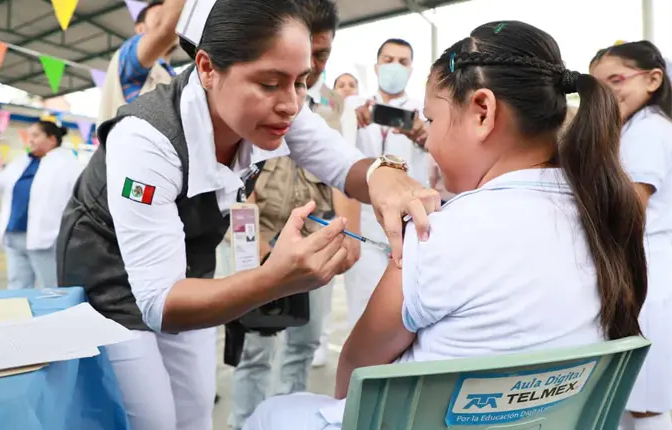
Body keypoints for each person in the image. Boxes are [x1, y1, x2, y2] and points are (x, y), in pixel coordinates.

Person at [243, 20, 648, 430]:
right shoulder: (606, 217)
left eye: (432, 121)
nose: (430, 139)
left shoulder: (438, 234)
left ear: (483, 112)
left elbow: (354, 377)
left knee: (269, 414)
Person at [56, 1, 439, 430]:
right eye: (271, 83)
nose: (291, 105)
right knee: (152, 418)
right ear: (206, 67)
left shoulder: (277, 106)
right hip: (111, 276)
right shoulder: (146, 140)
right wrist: (275, 278)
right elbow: (159, 303)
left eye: (300, 81)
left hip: (188, 264)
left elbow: (342, 164)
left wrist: (385, 176)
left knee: (195, 410)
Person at [227, 1, 361, 427]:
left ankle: (284, 418)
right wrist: (255, 246)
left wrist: (349, 236)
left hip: (313, 235)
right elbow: (233, 178)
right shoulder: (254, 94)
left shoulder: (329, 112)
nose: (316, 64)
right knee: (256, 349)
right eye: (311, 52)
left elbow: (342, 175)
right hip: (260, 235)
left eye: (324, 54)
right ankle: (246, 421)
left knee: (304, 342)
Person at [591, 40, 672, 430]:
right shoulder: (633, 129)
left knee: (645, 404)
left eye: (617, 80)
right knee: (632, 398)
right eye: (597, 86)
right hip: (643, 271)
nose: (607, 93)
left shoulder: (648, 131)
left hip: (648, 275)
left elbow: (629, 210)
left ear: (653, 79)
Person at [344, 38, 430, 327]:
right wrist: (348, 121)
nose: (395, 67)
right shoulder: (353, 106)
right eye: (389, 60)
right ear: (376, 66)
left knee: (408, 312)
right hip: (365, 221)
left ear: (411, 69)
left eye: (403, 62)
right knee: (365, 311)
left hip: (411, 221)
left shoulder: (422, 112)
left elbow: (440, 153)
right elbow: (320, 112)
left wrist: (422, 133)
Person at [0, 121, 81, 290]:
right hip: (15, 234)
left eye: (35, 135)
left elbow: (77, 198)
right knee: (17, 284)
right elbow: (1, 181)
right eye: (29, 136)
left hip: (46, 236)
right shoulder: (22, 162)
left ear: (52, 139)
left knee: (51, 286)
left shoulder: (68, 166)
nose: (30, 140)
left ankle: (54, 315)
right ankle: (22, 314)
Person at [99, 0, 185, 123]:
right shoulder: (127, 56)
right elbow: (165, 28)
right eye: (159, 16)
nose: (176, 19)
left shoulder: (173, 77)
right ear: (140, 29)